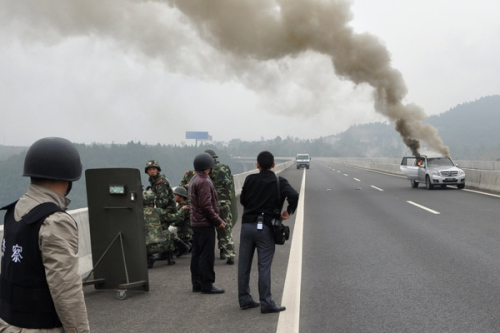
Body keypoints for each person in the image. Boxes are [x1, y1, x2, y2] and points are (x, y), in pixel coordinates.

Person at [0, 137, 90, 332]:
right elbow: (66, 291)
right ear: (68, 178)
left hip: (8, 323)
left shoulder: (13, 212)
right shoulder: (55, 221)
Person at [238, 151, 299, 314]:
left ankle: (244, 299)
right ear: (273, 165)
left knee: (244, 264)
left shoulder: (250, 179)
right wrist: (289, 211)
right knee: (263, 266)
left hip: (247, 226)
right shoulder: (279, 181)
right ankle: (266, 302)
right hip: (265, 228)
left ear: (257, 165)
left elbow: (243, 200)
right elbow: (294, 195)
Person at [189, 152, 226, 294]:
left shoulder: (194, 179)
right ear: (207, 166)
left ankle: (196, 283)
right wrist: (217, 220)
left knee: (196, 254)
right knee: (207, 255)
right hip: (205, 224)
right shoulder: (204, 181)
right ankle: (207, 284)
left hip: (195, 223)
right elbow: (206, 205)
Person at [205, 149, 237, 265]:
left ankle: (216, 253)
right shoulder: (225, 168)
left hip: (211, 204)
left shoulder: (207, 170)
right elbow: (231, 185)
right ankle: (229, 254)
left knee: (209, 229)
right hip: (224, 203)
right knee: (225, 228)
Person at [143, 189, 181, 267]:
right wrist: (183, 210)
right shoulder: (158, 211)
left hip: (146, 248)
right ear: (152, 201)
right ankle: (170, 258)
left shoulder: (137, 213)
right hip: (162, 246)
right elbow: (174, 218)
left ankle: (149, 257)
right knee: (168, 233)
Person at [164, 187, 193, 257]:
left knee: (168, 230)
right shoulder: (180, 205)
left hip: (184, 230)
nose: (174, 196)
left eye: (176, 195)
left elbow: (179, 220)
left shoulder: (184, 206)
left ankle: (183, 246)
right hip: (183, 229)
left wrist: (169, 223)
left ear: (181, 197)